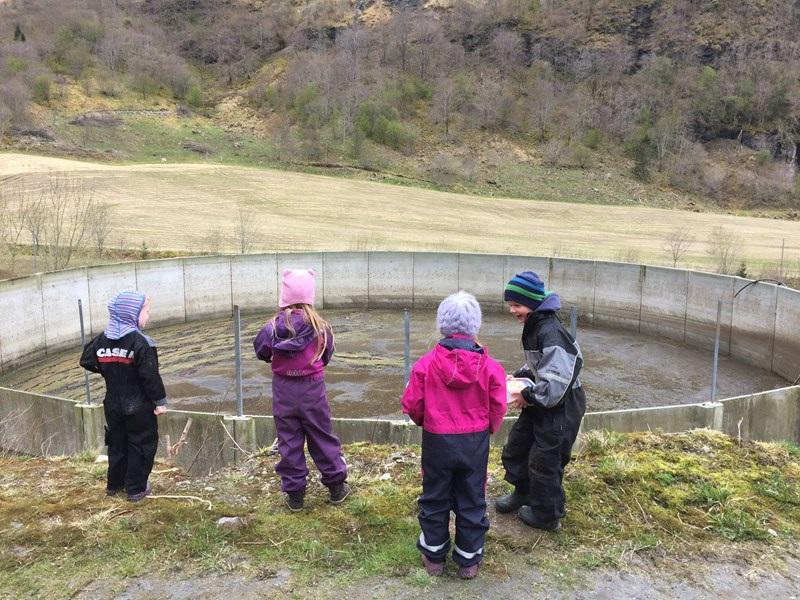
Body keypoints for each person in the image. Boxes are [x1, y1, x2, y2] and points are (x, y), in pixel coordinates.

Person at [402, 291, 507, 580]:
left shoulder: (425, 365)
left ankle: (433, 556)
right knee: (472, 497)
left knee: (435, 495)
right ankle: (468, 560)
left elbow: (412, 404)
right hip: (474, 442)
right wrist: (489, 428)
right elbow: (498, 405)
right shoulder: (491, 368)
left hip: (437, 439)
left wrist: (426, 420)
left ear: (442, 325)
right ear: (475, 327)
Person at [494, 271, 586, 531]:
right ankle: (524, 492)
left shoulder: (551, 332)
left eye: (517, 305)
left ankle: (547, 515)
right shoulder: (535, 325)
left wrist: (527, 394)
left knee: (546, 460)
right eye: (510, 305)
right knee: (517, 447)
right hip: (544, 402)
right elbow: (540, 363)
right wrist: (523, 375)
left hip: (561, 406)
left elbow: (555, 385)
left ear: (533, 304)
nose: (513, 310)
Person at [253, 269, 349, 511]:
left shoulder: (272, 327)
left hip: (283, 388)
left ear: (284, 296)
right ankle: (336, 487)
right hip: (312, 388)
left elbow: (261, 351)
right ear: (310, 296)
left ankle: (295, 494)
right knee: (321, 435)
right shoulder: (321, 327)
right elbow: (327, 356)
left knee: (289, 439)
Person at [80, 291, 167, 502]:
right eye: (145, 311)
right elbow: (150, 375)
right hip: (139, 405)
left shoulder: (102, 339)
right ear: (132, 314)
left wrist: (108, 369)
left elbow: (86, 360)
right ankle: (136, 488)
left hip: (113, 403)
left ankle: (114, 485)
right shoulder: (141, 342)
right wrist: (160, 402)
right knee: (142, 444)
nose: (147, 315)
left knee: (117, 443)